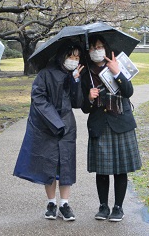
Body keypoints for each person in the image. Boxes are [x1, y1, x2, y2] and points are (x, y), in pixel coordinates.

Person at [13, 45, 84, 221]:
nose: (74, 60)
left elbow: (77, 103)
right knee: (49, 163)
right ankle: (51, 202)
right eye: (71, 56)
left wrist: (76, 81)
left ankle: (64, 204)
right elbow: (38, 98)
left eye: (77, 57)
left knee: (66, 164)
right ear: (62, 55)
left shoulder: (73, 74)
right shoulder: (45, 74)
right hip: (47, 126)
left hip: (67, 126)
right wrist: (54, 121)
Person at [81, 34, 142, 222]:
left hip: (120, 122)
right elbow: (84, 108)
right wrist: (89, 98)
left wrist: (117, 72)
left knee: (120, 169)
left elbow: (128, 91)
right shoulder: (85, 73)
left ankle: (118, 207)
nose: (96, 50)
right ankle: (103, 206)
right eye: (92, 48)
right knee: (102, 169)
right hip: (99, 124)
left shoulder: (117, 65)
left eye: (99, 47)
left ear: (106, 49)